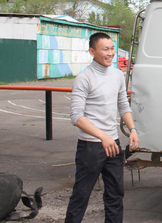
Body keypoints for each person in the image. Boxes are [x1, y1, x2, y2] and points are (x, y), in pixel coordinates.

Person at [65, 32, 139, 223]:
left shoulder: (117, 75)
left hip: (112, 144)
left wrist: (132, 129)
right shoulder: (84, 78)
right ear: (92, 51)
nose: (110, 53)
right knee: (81, 195)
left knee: (115, 195)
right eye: (105, 49)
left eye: (112, 48)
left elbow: (123, 105)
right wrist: (102, 136)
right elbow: (76, 116)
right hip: (91, 147)